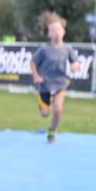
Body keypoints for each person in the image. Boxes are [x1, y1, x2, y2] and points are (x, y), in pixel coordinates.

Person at [30, 11, 80, 144]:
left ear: (63, 31)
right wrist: (36, 76)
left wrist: (75, 65)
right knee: (45, 114)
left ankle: (51, 132)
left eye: (58, 29)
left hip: (60, 84)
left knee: (58, 109)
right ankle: (43, 106)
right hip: (45, 85)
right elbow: (33, 62)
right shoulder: (44, 49)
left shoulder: (68, 49)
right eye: (53, 30)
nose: (56, 32)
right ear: (49, 34)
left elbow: (75, 61)